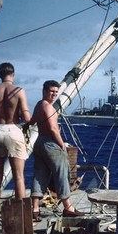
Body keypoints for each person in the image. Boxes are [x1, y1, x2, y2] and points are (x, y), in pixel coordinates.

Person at [28, 80, 83, 219]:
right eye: (51, 91)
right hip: (51, 144)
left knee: (39, 175)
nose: (54, 94)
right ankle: (68, 207)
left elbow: (32, 121)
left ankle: (34, 209)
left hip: (39, 143)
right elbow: (53, 129)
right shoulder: (49, 108)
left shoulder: (39, 105)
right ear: (44, 91)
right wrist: (62, 145)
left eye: (56, 92)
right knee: (62, 174)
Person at [0, 62, 31, 210]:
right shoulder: (19, 91)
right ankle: (19, 215)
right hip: (13, 131)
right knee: (19, 177)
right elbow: (27, 118)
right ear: (13, 74)